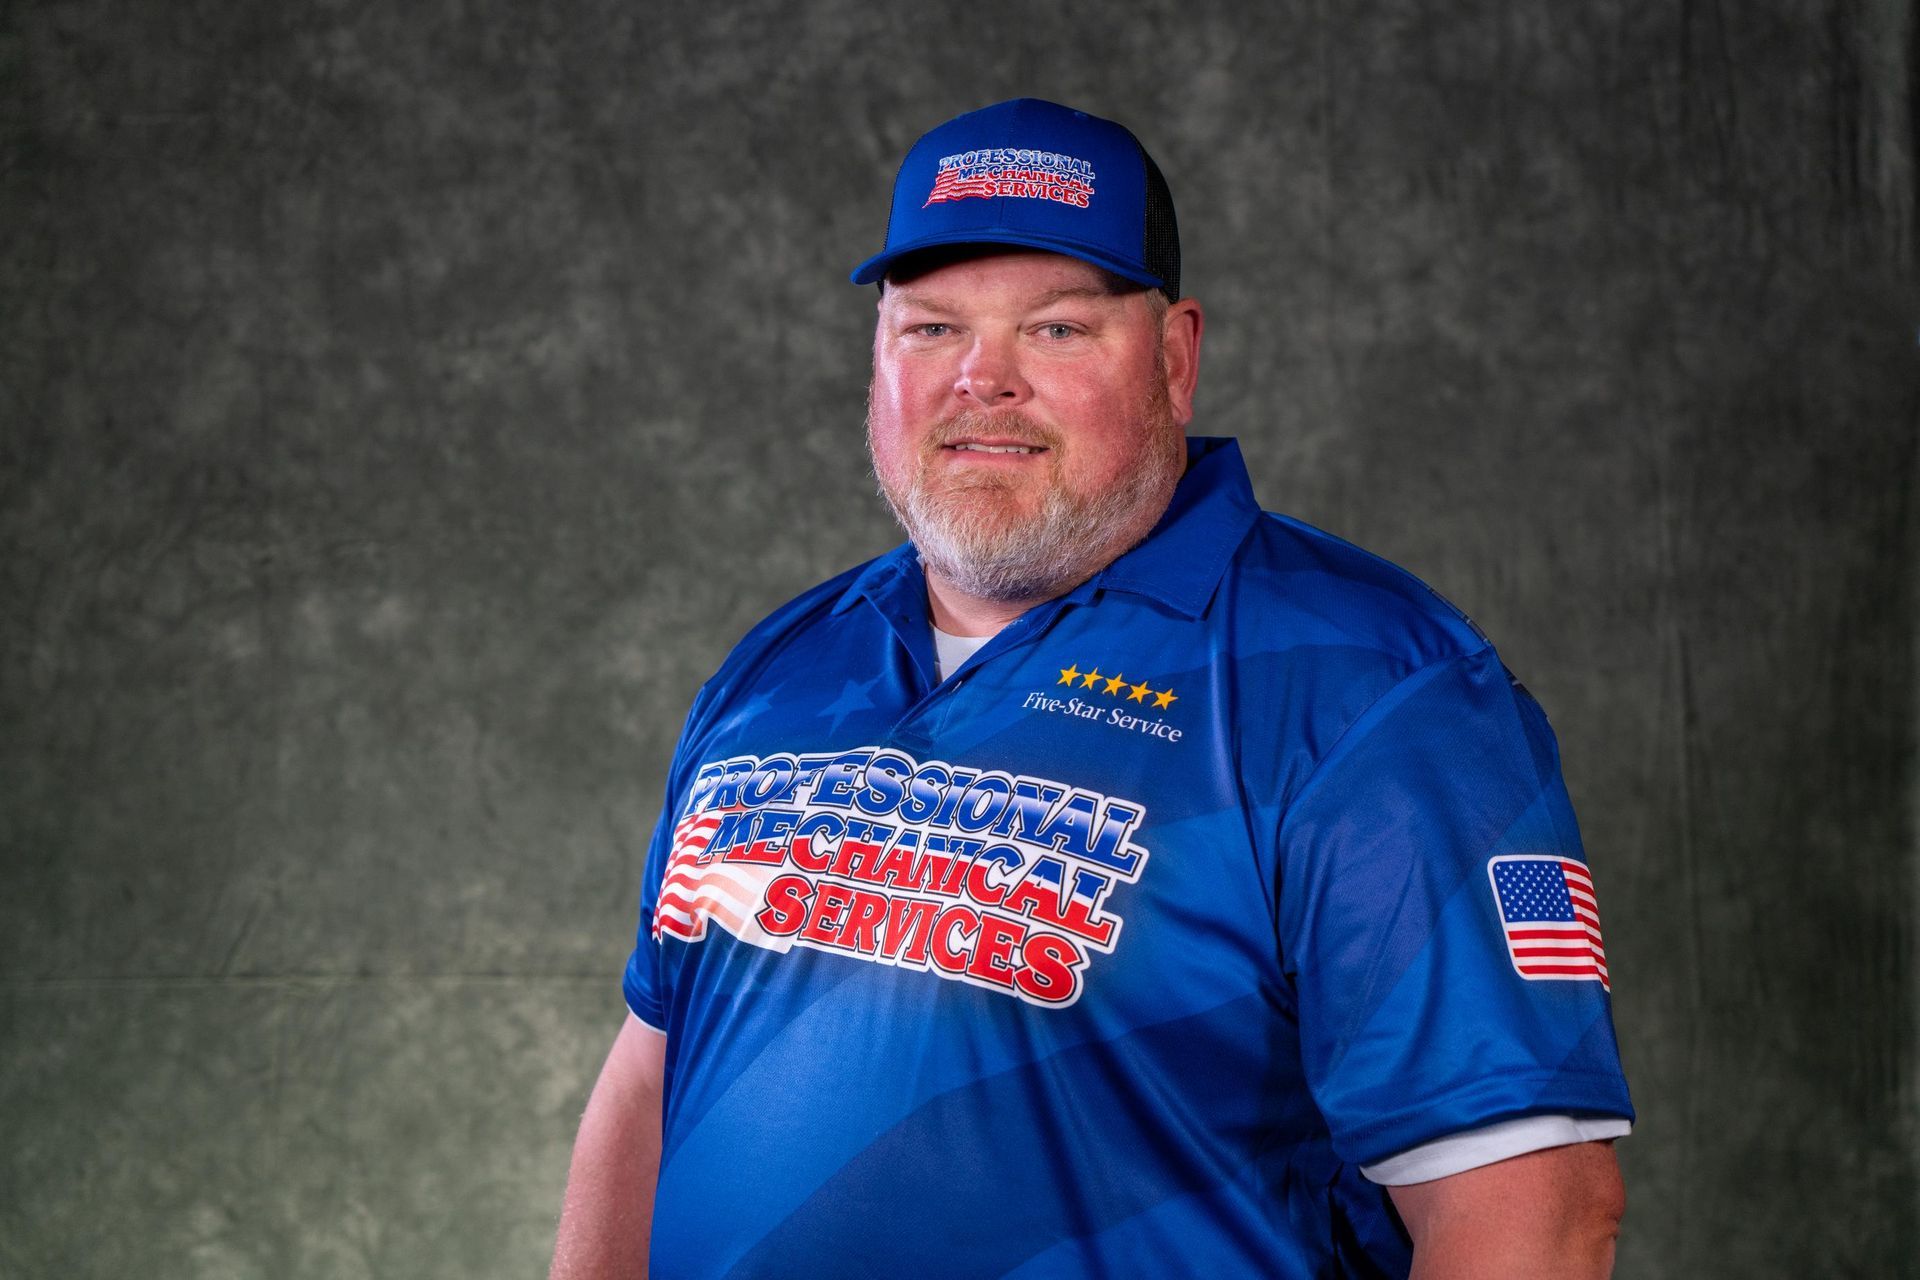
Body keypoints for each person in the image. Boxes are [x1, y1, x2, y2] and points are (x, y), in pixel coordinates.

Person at [550, 98, 1633, 1279]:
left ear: (1174, 358)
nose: (982, 379)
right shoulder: (781, 667)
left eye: (1056, 330)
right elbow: (652, 1076)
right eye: (929, 329)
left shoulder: (1370, 693)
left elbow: (1536, 1211)